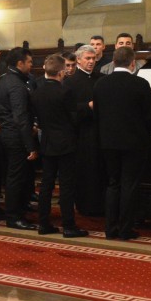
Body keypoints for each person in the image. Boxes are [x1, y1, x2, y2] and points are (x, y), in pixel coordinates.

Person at [93, 46, 151, 240]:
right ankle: (125, 229)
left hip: (108, 142)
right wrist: (146, 135)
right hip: (134, 142)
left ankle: (110, 228)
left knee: (113, 184)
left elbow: (97, 115)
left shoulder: (100, 84)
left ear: (113, 62)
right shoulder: (140, 84)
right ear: (132, 62)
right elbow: (150, 116)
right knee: (129, 184)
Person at [31, 54, 88, 237]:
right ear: (61, 72)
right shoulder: (65, 92)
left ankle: (43, 223)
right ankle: (69, 225)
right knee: (66, 185)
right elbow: (73, 118)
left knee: (46, 185)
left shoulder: (36, 92)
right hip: (65, 143)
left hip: (47, 141)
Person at [0, 47, 38, 230]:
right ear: (19, 63)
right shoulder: (16, 85)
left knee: (14, 176)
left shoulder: (6, 79)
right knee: (15, 177)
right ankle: (14, 216)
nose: (31, 65)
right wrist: (30, 146)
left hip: (8, 133)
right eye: (29, 62)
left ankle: (17, 210)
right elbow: (20, 117)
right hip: (16, 136)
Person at [64, 43, 105, 216]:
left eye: (93, 58)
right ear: (79, 60)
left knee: (101, 169)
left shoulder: (102, 78)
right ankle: (85, 205)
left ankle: (101, 204)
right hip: (81, 133)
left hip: (101, 131)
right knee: (85, 170)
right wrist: (87, 106)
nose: (91, 61)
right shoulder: (70, 82)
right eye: (87, 58)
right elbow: (67, 109)